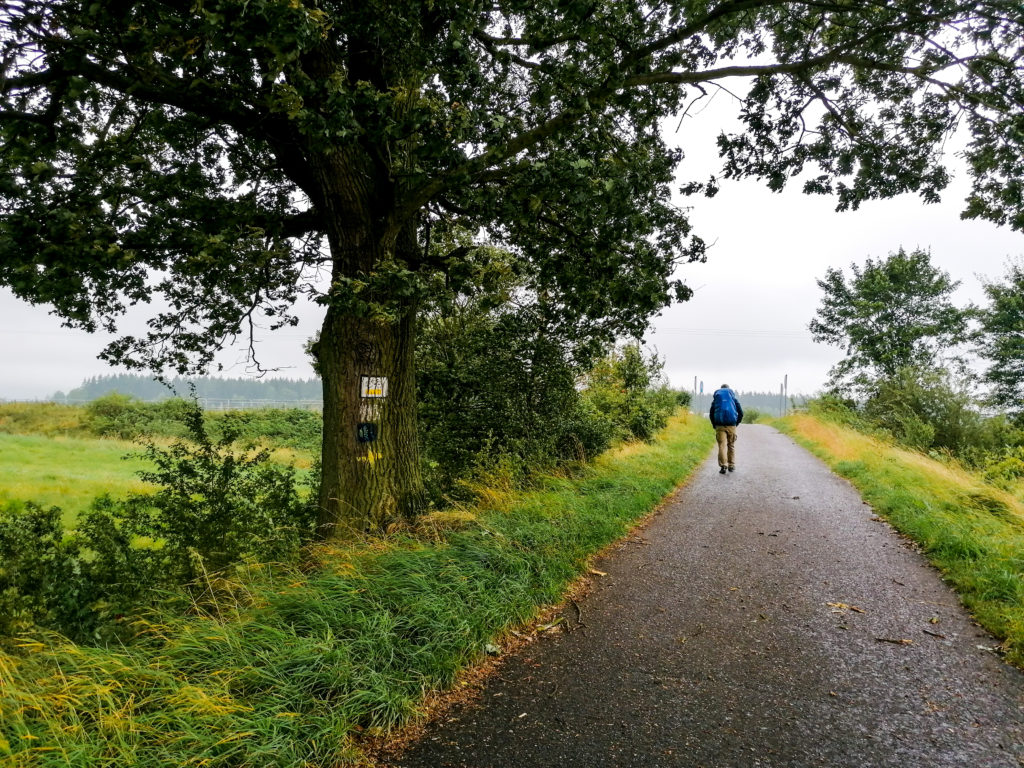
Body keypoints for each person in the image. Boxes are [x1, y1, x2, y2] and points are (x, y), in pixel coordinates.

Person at [709, 384, 743, 474]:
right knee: (731, 445)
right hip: (731, 424)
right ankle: (731, 465)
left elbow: (711, 413)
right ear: (729, 390)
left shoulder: (716, 399)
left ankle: (723, 466)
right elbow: (741, 412)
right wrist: (736, 423)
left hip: (719, 425)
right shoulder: (733, 399)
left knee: (722, 446)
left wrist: (714, 424)